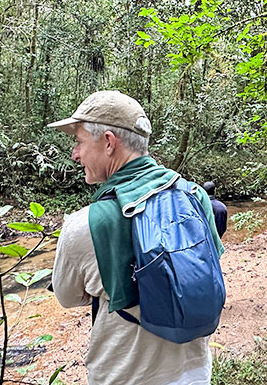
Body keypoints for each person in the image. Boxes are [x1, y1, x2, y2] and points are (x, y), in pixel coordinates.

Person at [48, 90, 224, 385]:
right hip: (194, 373)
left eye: (78, 142)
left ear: (108, 142)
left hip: (125, 376)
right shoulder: (195, 197)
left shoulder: (83, 225)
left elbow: (67, 297)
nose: (75, 154)